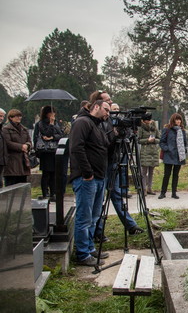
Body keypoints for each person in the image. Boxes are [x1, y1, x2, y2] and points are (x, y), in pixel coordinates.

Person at [92, 92, 143, 242]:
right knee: (100, 199)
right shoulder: (95, 122)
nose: (110, 104)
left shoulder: (111, 120)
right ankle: (97, 231)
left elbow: (124, 136)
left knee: (117, 194)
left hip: (115, 160)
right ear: (98, 104)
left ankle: (130, 225)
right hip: (101, 164)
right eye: (107, 102)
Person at [69, 100, 111, 266]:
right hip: (87, 178)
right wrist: (87, 173)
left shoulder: (97, 125)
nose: (108, 113)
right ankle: (82, 254)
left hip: (99, 177)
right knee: (84, 218)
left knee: (94, 217)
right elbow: (76, 148)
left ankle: (89, 247)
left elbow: (105, 146)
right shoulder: (82, 122)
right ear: (96, 107)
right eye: (106, 109)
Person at [33, 105, 64, 199]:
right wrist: (50, 125)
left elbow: (60, 134)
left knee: (54, 174)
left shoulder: (56, 123)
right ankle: (45, 192)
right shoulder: (40, 123)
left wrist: (52, 137)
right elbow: (46, 133)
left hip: (54, 150)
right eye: (51, 112)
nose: (53, 114)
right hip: (46, 152)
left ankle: (53, 192)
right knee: (46, 173)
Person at [159, 113, 187, 199]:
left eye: (180, 119)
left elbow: (184, 142)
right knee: (167, 174)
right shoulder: (167, 129)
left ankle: (174, 192)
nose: (178, 121)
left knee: (176, 175)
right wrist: (167, 148)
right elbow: (162, 142)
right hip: (169, 155)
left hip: (179, 155)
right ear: (173, 120)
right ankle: (163, 192)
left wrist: (184, 150)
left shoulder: (182, 131)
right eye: (177, 119)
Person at [2, 109, 32, 186]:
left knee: (22, 184)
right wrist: (21, 147)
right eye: (17, 116)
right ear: (11, 117)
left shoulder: (24, 129)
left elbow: (29, 141)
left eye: (20, 116)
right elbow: (7, 143)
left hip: (23, 161)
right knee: (11, 183)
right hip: (12, 161)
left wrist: (27, 145)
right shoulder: (6, 129)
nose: (19, 118)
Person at [137, 113, 160, 195]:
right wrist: (147, 140)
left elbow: (159, 138)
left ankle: (150, 188)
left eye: (149, 120)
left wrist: (154, 140)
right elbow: (138, 140)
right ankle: (143, 188)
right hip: (145, 151)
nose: (148, 122)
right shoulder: (141, 128)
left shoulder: (154, 127)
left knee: (151, 171)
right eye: (147, 120)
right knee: (144, 172)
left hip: (153, 151)